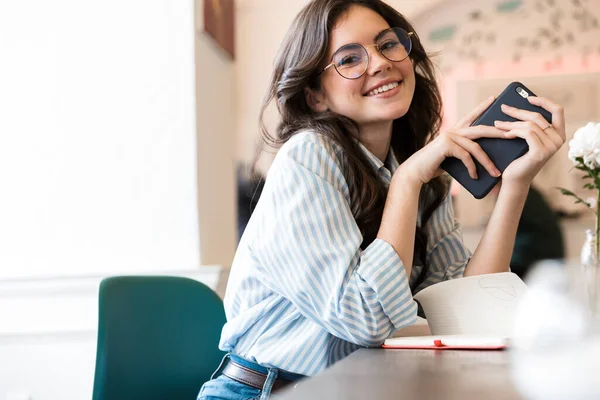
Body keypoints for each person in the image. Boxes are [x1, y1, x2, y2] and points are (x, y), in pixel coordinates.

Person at [197, 1, 566, 399]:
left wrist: (515, 184)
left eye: (388, 44)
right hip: (265, 391)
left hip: (357, 389)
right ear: (316, 96)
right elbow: (365, 318)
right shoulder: (308, 156)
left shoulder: (419, 175)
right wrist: (407, 181)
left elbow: (466, 312)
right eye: (349, 59)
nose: (379, 62)